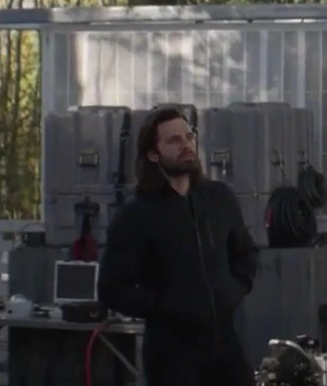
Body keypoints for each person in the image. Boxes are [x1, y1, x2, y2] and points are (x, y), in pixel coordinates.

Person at [98, 106, 259, 385]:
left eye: (189, 137)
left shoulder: (220, 198)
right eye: (174, 140)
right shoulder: (136, 216)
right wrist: (164, 306)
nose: (186, 145)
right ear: (153, 154)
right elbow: (111, 289)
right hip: (171, 356)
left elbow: (245, 254)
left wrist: (231, 292)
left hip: (226, 347)